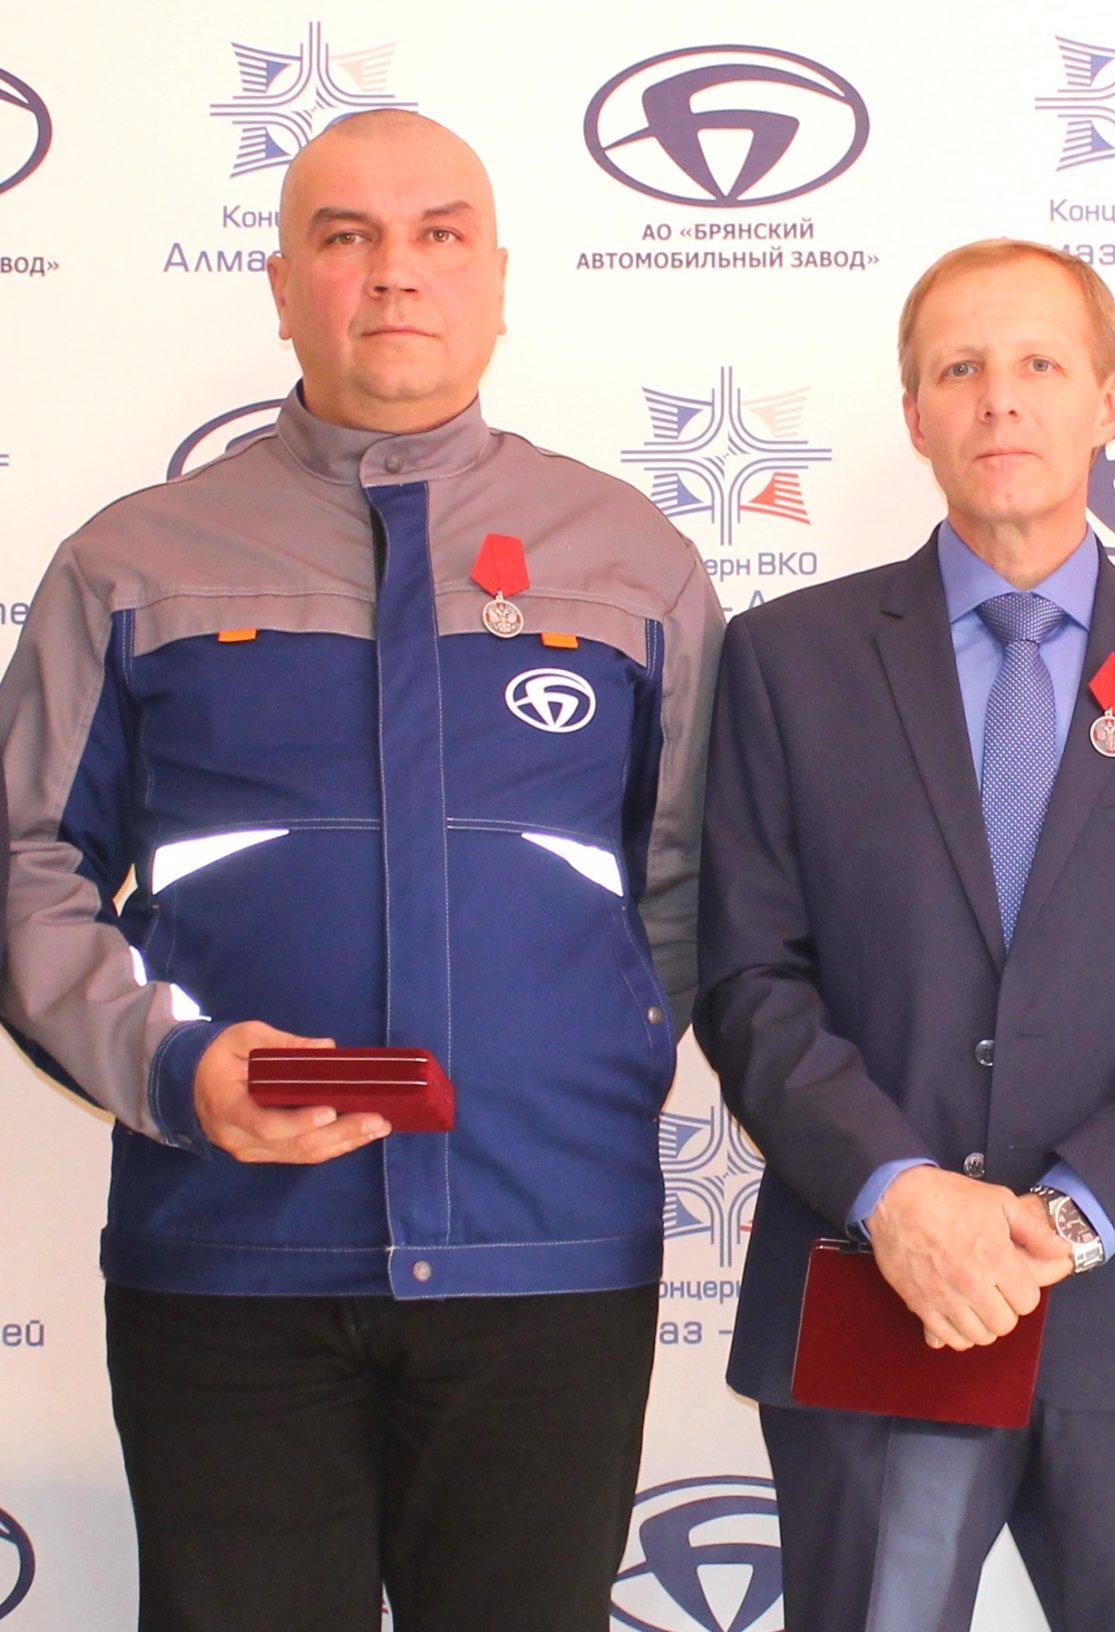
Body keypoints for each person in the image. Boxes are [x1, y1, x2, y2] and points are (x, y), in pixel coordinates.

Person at [0, 110, 722, 1631]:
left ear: (498, 278)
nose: (395, 271)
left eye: (438, 234)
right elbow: (25, 862)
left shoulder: (633, 563)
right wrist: (170, 1064)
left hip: (544, 1254)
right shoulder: (134, 563)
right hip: (228, 1257)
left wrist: (579, 1059)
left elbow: (693, 882)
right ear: (282, 286)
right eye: (347, 237)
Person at [696, 238, 1115, 1632]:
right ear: (914, 412)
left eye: (1041, 363)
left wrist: (1075, 1212)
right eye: (961, 369)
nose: (1000, 398)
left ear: (1109, 402)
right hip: (879, 1297)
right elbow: (748, 977)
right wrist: (899, 1196)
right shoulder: (789, 661)